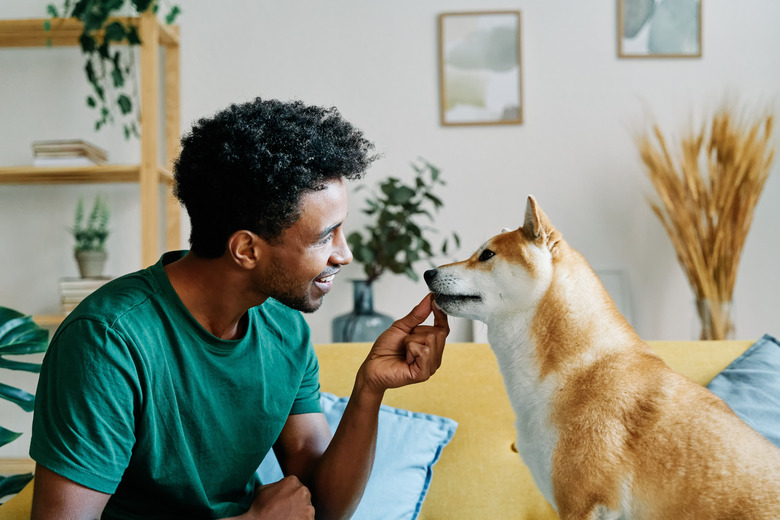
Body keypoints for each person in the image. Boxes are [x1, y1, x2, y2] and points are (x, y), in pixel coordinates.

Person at [29, 98, 450, 520]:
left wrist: (369, 388)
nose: (345, 254)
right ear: (246, 249)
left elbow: (324, 506)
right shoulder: (107, 342)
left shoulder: (283, 327)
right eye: (326, 237)